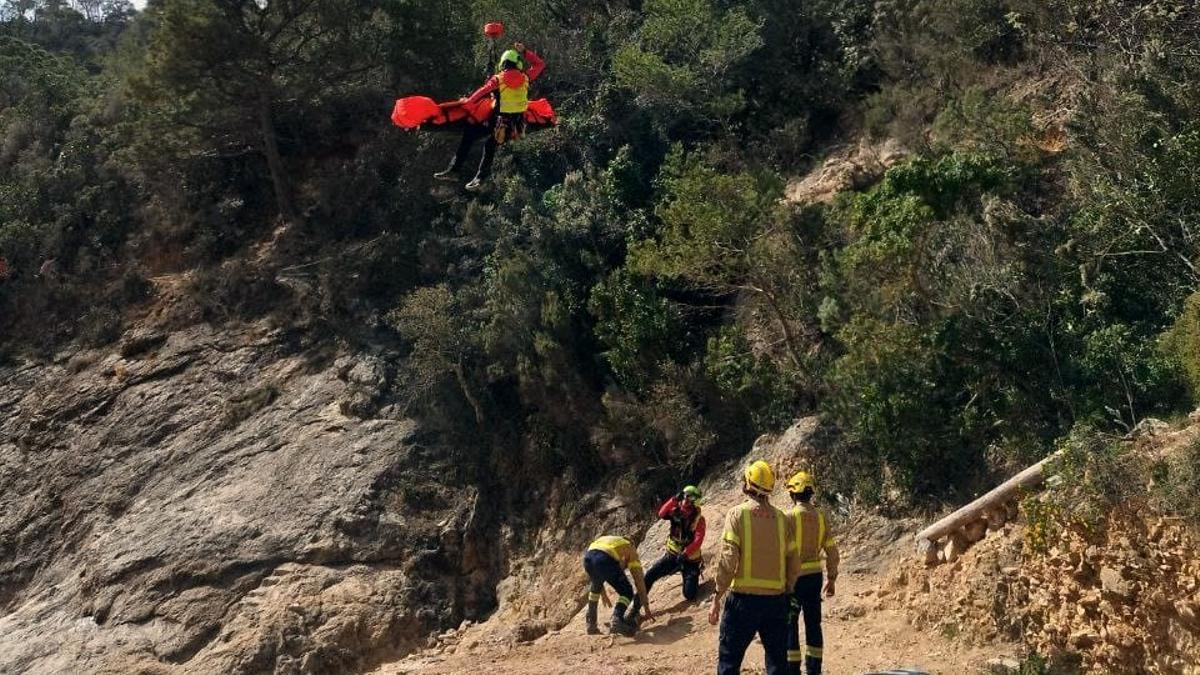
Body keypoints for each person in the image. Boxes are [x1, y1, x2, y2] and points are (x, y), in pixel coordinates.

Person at [709, 460, 802, 675]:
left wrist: (716, 595)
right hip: (776, 602)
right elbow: (794, 561)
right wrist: (787, 589)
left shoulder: (737, 514)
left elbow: (729, 558)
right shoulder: (781, 518)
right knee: (778, 664)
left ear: (748, 483)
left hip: (743, 602)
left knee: (729, 663)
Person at [434, 42, 545, 191]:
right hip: (515, 126)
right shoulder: (526, 77)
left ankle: (455, 171)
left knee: (470, 136)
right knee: (490, 146)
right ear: (517, 64)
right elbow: (539, 64)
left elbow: (482, 91)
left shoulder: (498, 79)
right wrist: (525, 51)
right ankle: (479, 178)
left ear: (503, 64)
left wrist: (468, 102)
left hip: (497, 123)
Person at [785, 471, 839, 675]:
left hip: (793, 579)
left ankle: (792, 670)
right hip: (815, 578)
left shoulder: (788, 517)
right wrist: (832, 578)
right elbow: (832, 550)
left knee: (790, 623)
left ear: (793, 494)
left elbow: (782, 551)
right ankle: (814, 670)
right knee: (813, 624)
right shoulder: (821, 518)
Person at [643, 485, 706, 601]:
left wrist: (685, 554)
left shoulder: (699, 519)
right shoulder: (676, 511)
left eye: (689, 498)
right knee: (650, 575)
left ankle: (694, 573)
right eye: (684, 496)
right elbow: (661, 514)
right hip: (672, 554)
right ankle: (637, 605)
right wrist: (673, 500)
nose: (685, 500)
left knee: (689, 595)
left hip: (690, 560)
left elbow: (698, 540)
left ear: (694, 502)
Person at [583, 534, 654, 636]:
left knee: (595, 588)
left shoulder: (610, 540)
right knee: (627, 592)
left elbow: (597, 570)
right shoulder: (630, 548)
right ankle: (617, 618)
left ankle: (591, 624)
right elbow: (639, 580)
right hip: (604, 559)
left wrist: (603, 594)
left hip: (588, 559)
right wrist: (646, 607)